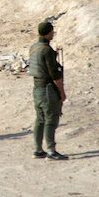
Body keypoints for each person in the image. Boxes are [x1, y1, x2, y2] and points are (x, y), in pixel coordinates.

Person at [30, 20, 68, 160]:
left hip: (37, 90)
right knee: (51, 120)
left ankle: (38, 150)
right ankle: (51, 151)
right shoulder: (47, 51)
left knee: (40, 120)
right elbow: (54, 75)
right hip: (48, 90)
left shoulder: (34, 47)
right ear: (49, 33)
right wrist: (62, 92)